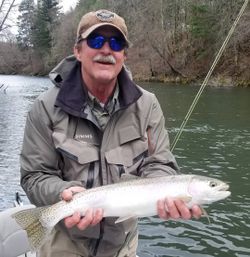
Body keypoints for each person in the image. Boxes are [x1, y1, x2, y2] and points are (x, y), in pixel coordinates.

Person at [20, 9, 202, 257]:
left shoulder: (147, 105)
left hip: (123, 246)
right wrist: (61, 192)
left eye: (116, 43)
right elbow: (34, 176)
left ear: (124, 55)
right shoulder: (45, 107)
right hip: (64, 244)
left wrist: (166, 193)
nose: (106, 50)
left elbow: (159, 162)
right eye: (96, 41)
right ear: (78, 50)